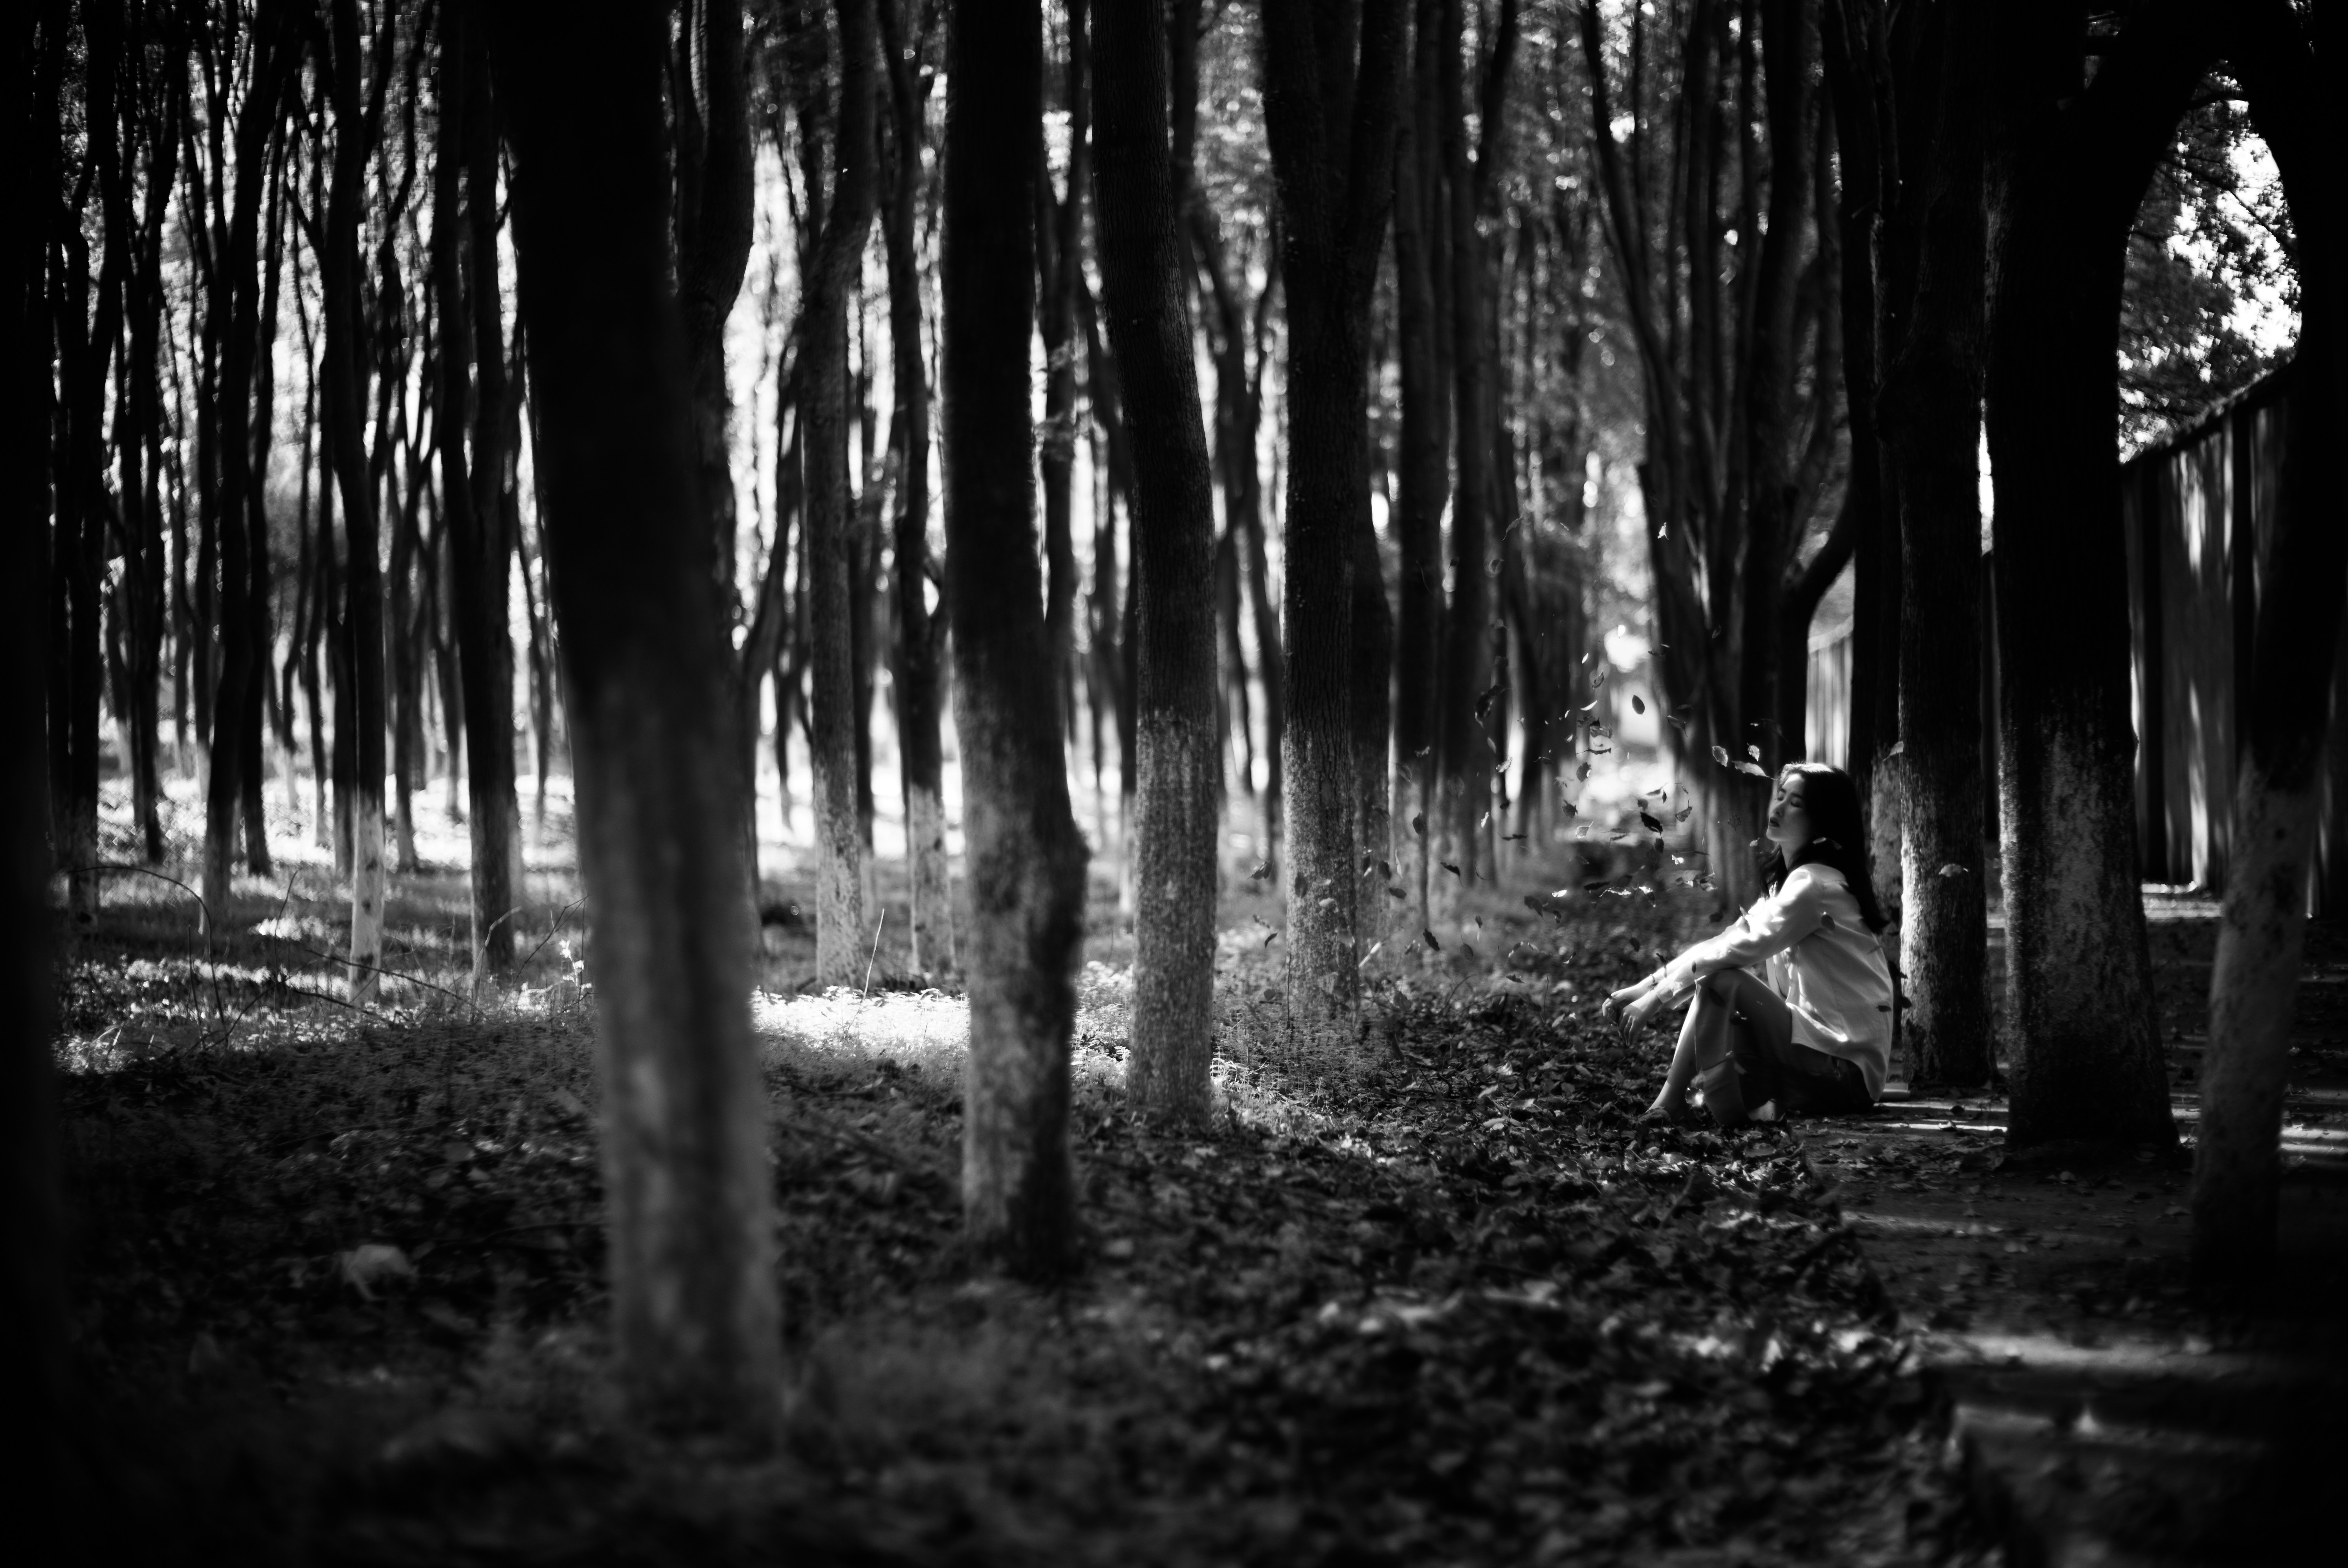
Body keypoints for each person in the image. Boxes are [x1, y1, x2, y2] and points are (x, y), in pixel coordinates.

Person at [1599, 762, 1894, 1128]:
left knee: (1723, 982)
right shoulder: (1791, 885)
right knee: (1719, 984)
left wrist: (1655, 1002)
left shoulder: (1812, 887)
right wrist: (1643, 988)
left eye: (1796, 803)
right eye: (1781, 796)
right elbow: (1724, 942)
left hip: (1845, 1073)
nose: (1780, 807)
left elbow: (1734, 955)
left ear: (1823, 824)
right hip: (1823, 1054)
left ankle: (1672, 1103)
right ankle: (1684, 1103)